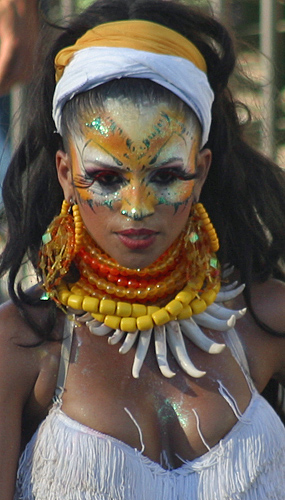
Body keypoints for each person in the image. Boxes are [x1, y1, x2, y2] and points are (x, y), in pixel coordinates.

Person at [0, 0, 284, 497]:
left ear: (203, 170)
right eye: (107, 177)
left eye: (167, 175)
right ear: (67, 174)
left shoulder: (269, 320)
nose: (136, 206)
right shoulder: (20, 346)